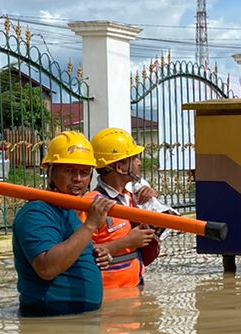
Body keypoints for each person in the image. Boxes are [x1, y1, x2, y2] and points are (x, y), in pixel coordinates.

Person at [11, 131, 113, 317]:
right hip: (51, 320)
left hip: (77, 320)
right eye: (69, 170)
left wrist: (93, 254)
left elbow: (68, 248)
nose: (78, 179)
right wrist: (90, 226)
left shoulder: (68, 211)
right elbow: (47, 268)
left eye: (84, 172)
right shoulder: (37, 212)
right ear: (49, 171)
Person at [88, 126, 161, 291]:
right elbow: (80, 254)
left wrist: (153, 202)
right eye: (134, 158)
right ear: (120, 167)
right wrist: (127, 242)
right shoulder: (91, 205)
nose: (139, 162)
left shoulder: (132, 198)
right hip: (109, 297)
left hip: (134, 288)